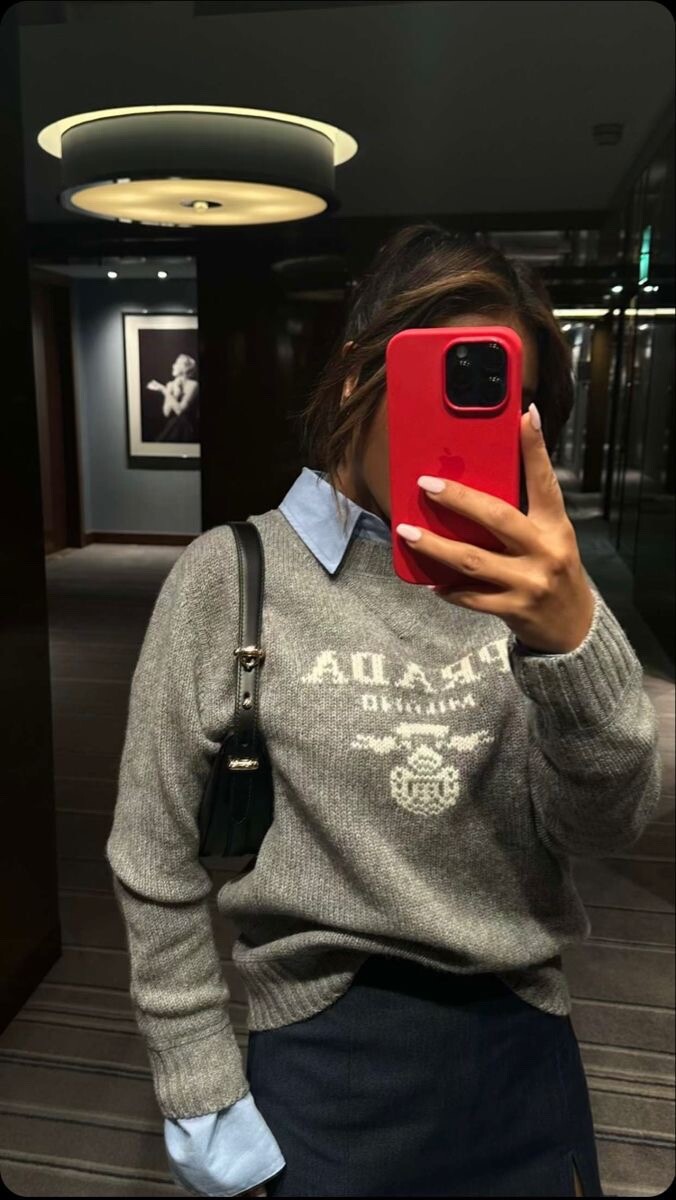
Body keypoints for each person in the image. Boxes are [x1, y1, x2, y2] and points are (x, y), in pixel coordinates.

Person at [105, 224, 662, 1198]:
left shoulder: (542, 591)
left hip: (521, 1046)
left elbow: (604, 827)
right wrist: (200, 1086)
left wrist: (570, 643)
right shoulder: (228, 578)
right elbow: (152, 855)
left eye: (504, 395)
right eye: (443, 381)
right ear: (362, 375)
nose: (472, 419)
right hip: (321, 1054)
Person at [147, 353, 200, 443]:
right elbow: (167, 413)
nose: (173, 366)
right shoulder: (170, 385)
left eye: (176, 363)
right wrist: (174, 392)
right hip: (172, 428)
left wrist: (163, 389)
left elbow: (180, 411)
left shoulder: (193, 385)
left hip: (187, 429)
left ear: (186, 368)